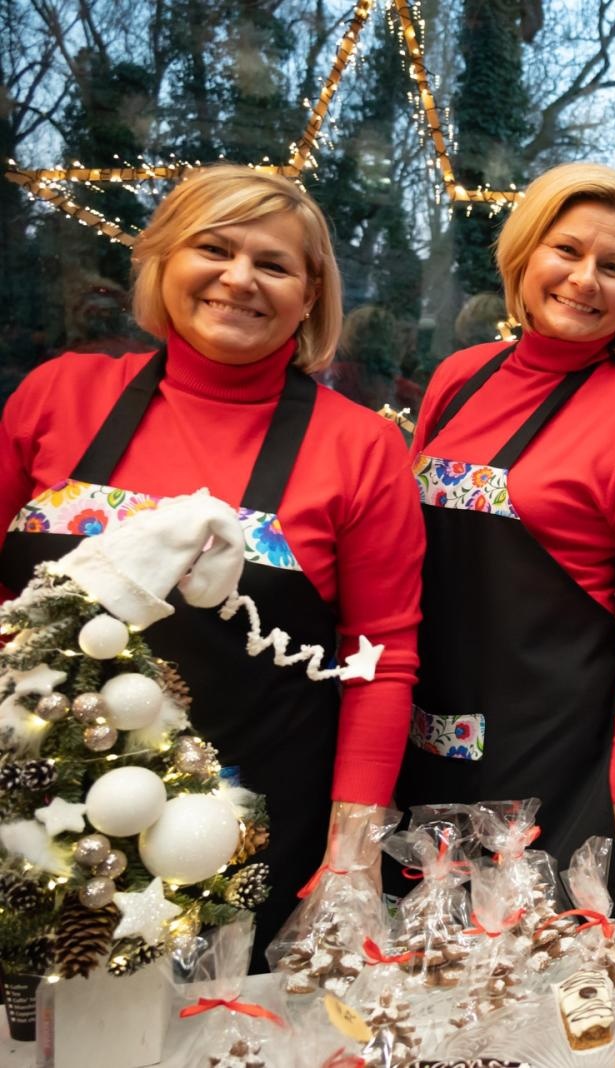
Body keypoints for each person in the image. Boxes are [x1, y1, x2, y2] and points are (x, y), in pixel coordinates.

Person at [0, 165, 424, 964]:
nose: (239, 278)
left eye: (273, 264)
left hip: (252, 845)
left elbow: (383, 657)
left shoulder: (359, 445)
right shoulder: (58, 397)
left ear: (309, 295)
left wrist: (353, 852)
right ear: (164, 262)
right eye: (215, 249)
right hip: (34, 827)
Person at [401, 163, 615, 901]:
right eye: (567, 250)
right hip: (423, 739)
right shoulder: (458, 379)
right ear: (525, 255)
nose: (585, 279)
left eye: (614, 267)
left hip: (553, 766)